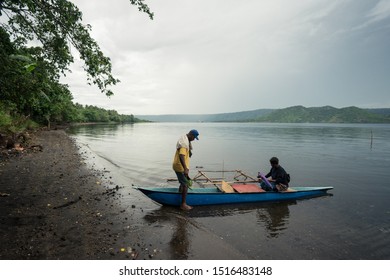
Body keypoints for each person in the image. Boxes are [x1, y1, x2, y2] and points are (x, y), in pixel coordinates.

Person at [172, 129, 199, 210]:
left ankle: (179, 196)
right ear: (191, 135)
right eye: (194, 137)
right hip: (180, 167)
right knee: (186, 184)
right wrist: (185, 168)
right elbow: (181, 155)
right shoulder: (184, 143)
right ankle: (183, 204)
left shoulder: (185, 139)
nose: (194, 139)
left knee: (182, 182)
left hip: (179, 165)